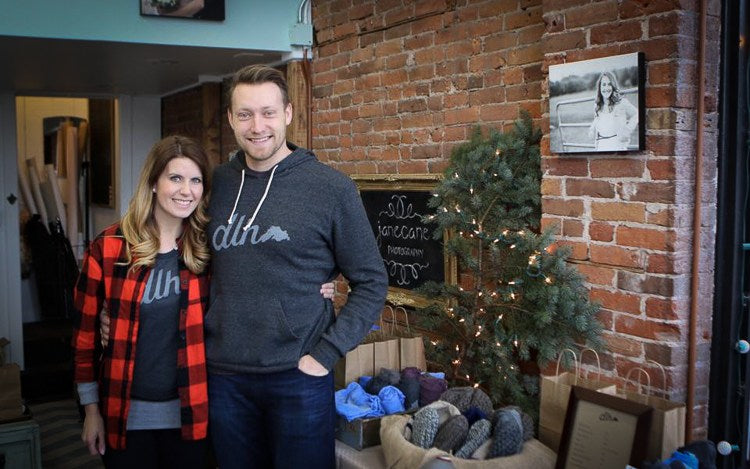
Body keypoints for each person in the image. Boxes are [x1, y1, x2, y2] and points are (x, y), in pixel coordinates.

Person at [205, 64, 388, 468]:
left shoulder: (330, 188)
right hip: (224, 377)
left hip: (299, 375)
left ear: (288, 113)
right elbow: (188, 258)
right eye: (245, 114)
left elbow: (372, 281)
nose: (257, 126)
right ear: (231, 119)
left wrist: (326, 354)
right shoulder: (215, 185)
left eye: (268, 112)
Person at [72, 136, 212, 468]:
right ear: (152, 182)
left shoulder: (209, 250)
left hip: (191, 417)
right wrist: (91, 411)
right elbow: (84, 337)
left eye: (196, 180)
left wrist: (315, 283)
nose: (185, 190)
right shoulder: (108, 248)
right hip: (125, 417)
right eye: (175, 178)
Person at [588, 71, 638, 151]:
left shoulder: (621, 102)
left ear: (613, 86)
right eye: (603, 84)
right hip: (601, 146)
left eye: (609, 84)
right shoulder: (597, 105)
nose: (606, 88)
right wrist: (592, 129)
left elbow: (636, 114)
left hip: (617, 146)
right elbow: (597, 118)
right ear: (600, 87)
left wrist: (627, 130)